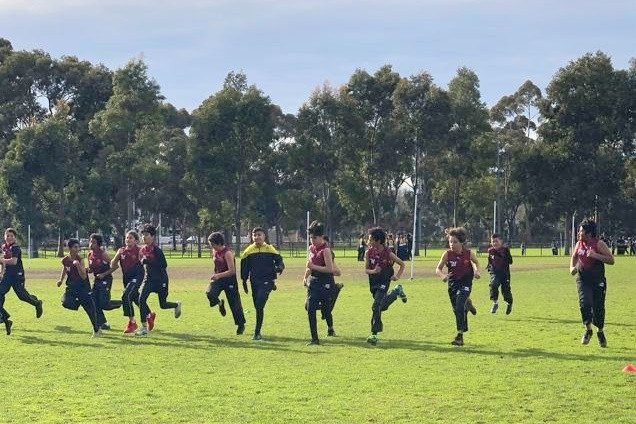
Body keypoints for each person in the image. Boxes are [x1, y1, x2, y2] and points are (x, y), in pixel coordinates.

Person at [570, 219, 614, 347]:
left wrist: (595, 255)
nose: (579, 232)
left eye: (581, 230)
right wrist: (572, 268)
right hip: (583, 279)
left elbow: (611, 260)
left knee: (598, 308)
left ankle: (600, 331)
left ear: (588, 232)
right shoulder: (579, 243)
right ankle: (588, 330)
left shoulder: (599, 244)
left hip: (597, 280)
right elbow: (574, 257)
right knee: (584, 303)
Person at [435, 227, 481, 346]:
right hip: (453, 285)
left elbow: (476, 263)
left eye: (455, 242)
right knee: (457, 309)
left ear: (461, 242)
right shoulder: (447, 254)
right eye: (450, 242)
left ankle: (459, 336)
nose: (452, 244)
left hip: (465, 283)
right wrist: (443, 276)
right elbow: (438, 269)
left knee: (459, 306)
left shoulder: (469, 253)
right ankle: (468, 304)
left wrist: (477, 272)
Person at [135, 224, 182, 336]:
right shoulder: (142, 250)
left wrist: (148, 262)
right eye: (143, 235)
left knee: (163, 304)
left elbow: (163, 265)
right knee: (141, 299)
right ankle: (144, 328)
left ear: (153, 237)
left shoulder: (157, 250)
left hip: (161, 280)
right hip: (149, 279)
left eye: (146, 235)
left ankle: (176, 305)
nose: (144, 237)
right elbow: (141, 262)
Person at [240, 227, 285, 341]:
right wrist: (244, 281)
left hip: (267, 279)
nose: (257, 237)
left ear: (264, 236)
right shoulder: (248, 251)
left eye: (259, 235)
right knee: (257, 306)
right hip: (254, 281)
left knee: (259, 304)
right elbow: (244, 267)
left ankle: (257, 333)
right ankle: (257, 332)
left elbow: (279, 261)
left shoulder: (270, 249)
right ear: (252, 237)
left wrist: (279, 267)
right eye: (255, 235)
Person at [364, 227, 407, 346]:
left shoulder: (388, 253)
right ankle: (396, 291)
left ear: (378, 241)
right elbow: (366, 270)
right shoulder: (368, 252)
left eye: (371, 239)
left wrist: (397, 276)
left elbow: (402, 264)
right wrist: (373, 271)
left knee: (376, 305)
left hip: (384, 280)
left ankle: (374, 334)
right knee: (380, 307)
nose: (369, 242)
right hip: (373, 282)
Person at [96, 230, 145, 333]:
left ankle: (132, 322)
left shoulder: (139, 250)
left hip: (137, 276)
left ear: (136, 241)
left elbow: (146, 260)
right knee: (135, 298)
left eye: (131, 238)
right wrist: (117, 254)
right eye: (127, 238)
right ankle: (148, 314)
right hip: (126, 278)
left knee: (126, 296)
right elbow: (112, 264)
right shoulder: (122, 251)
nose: (128, 239)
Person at [0, 228, 43, 335]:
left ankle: (37, 303)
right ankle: (5, 319)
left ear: (15, 238)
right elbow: (3, 263)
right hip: (7, 276)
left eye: (11, 236)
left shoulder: (16, 248)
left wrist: (2, 260)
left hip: (17, 276)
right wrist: (1, 273)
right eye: (7, 235)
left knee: (22, 296)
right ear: (4, 236)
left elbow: (14, 261)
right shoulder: (4, 247)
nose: (9, 237)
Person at [57, 238, 100, 337]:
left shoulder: (80, 259)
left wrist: (78, 266)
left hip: (82, 286)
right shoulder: (65, 260)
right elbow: (65, 268)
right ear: (70, 248)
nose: (77, 249)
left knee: (89, 309)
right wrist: (61, 280)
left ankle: (96, 330)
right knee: (65, 302)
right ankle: (79, 302)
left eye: (78, 247)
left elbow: (84, 276)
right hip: (71, 286)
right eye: (75, 247)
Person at [303, 221, 337, 345]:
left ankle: (330, 328)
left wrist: (313, 266)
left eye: (314, 238)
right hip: (314, 283)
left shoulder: (326, 250)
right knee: (310, 308)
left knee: (326, 310)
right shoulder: (311, 248)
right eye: (310, 237)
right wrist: (305, 276)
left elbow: (330, 269)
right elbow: (309, 266)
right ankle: (314, 339)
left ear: (321, 237)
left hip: (326, 283)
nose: (312, 240)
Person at [206, 232, 246, 335]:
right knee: (210, 293)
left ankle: (240, 325)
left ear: (219, 243)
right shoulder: (214, 251)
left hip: (229, 279)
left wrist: (219, 275)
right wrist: (216, 275)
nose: (211, 246)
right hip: (218, 278)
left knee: (235, 304)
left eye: (212, 244)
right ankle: (220, 304)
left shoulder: (227, 253)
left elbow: (232, 271)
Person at [88, 233, 122, 330]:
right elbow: (91, 269)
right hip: (97, 280)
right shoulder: (89, 255)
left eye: (93, 242)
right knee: (94, 302)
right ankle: (103, 323)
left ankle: (122, 302)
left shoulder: (103, 254)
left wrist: (103, 274)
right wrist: (88, 270)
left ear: (98, 244)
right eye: (90, 241)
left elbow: (115, 266)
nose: (91, 244)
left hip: (106, 280)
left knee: (104, 304)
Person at [487, 234, 513, 315]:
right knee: (493, 285)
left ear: (501, 241)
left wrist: (502, 257)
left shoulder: (505, 250)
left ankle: (509, 303)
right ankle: (495, 303)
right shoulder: (490, 251)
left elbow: (510, 261)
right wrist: (489, 268)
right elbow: (490, 261)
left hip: (504, 273)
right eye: (493, 241)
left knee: (506, 291)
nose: (494, 243)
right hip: (495, 273)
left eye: (496, 241)